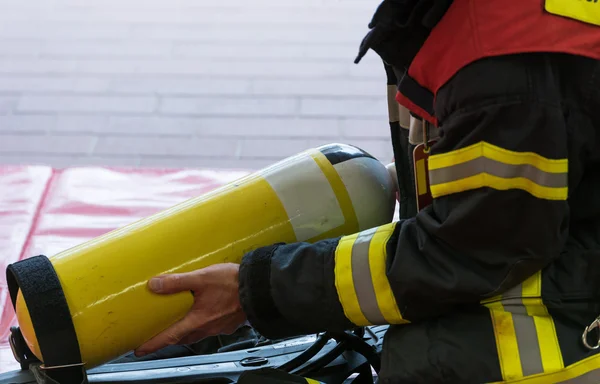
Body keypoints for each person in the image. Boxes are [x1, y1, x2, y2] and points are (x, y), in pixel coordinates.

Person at [133, 1, 600, 383]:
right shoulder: (466, 20)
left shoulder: (501, 56)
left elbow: (470, 253)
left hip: (561, 347)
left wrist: (257, 290)